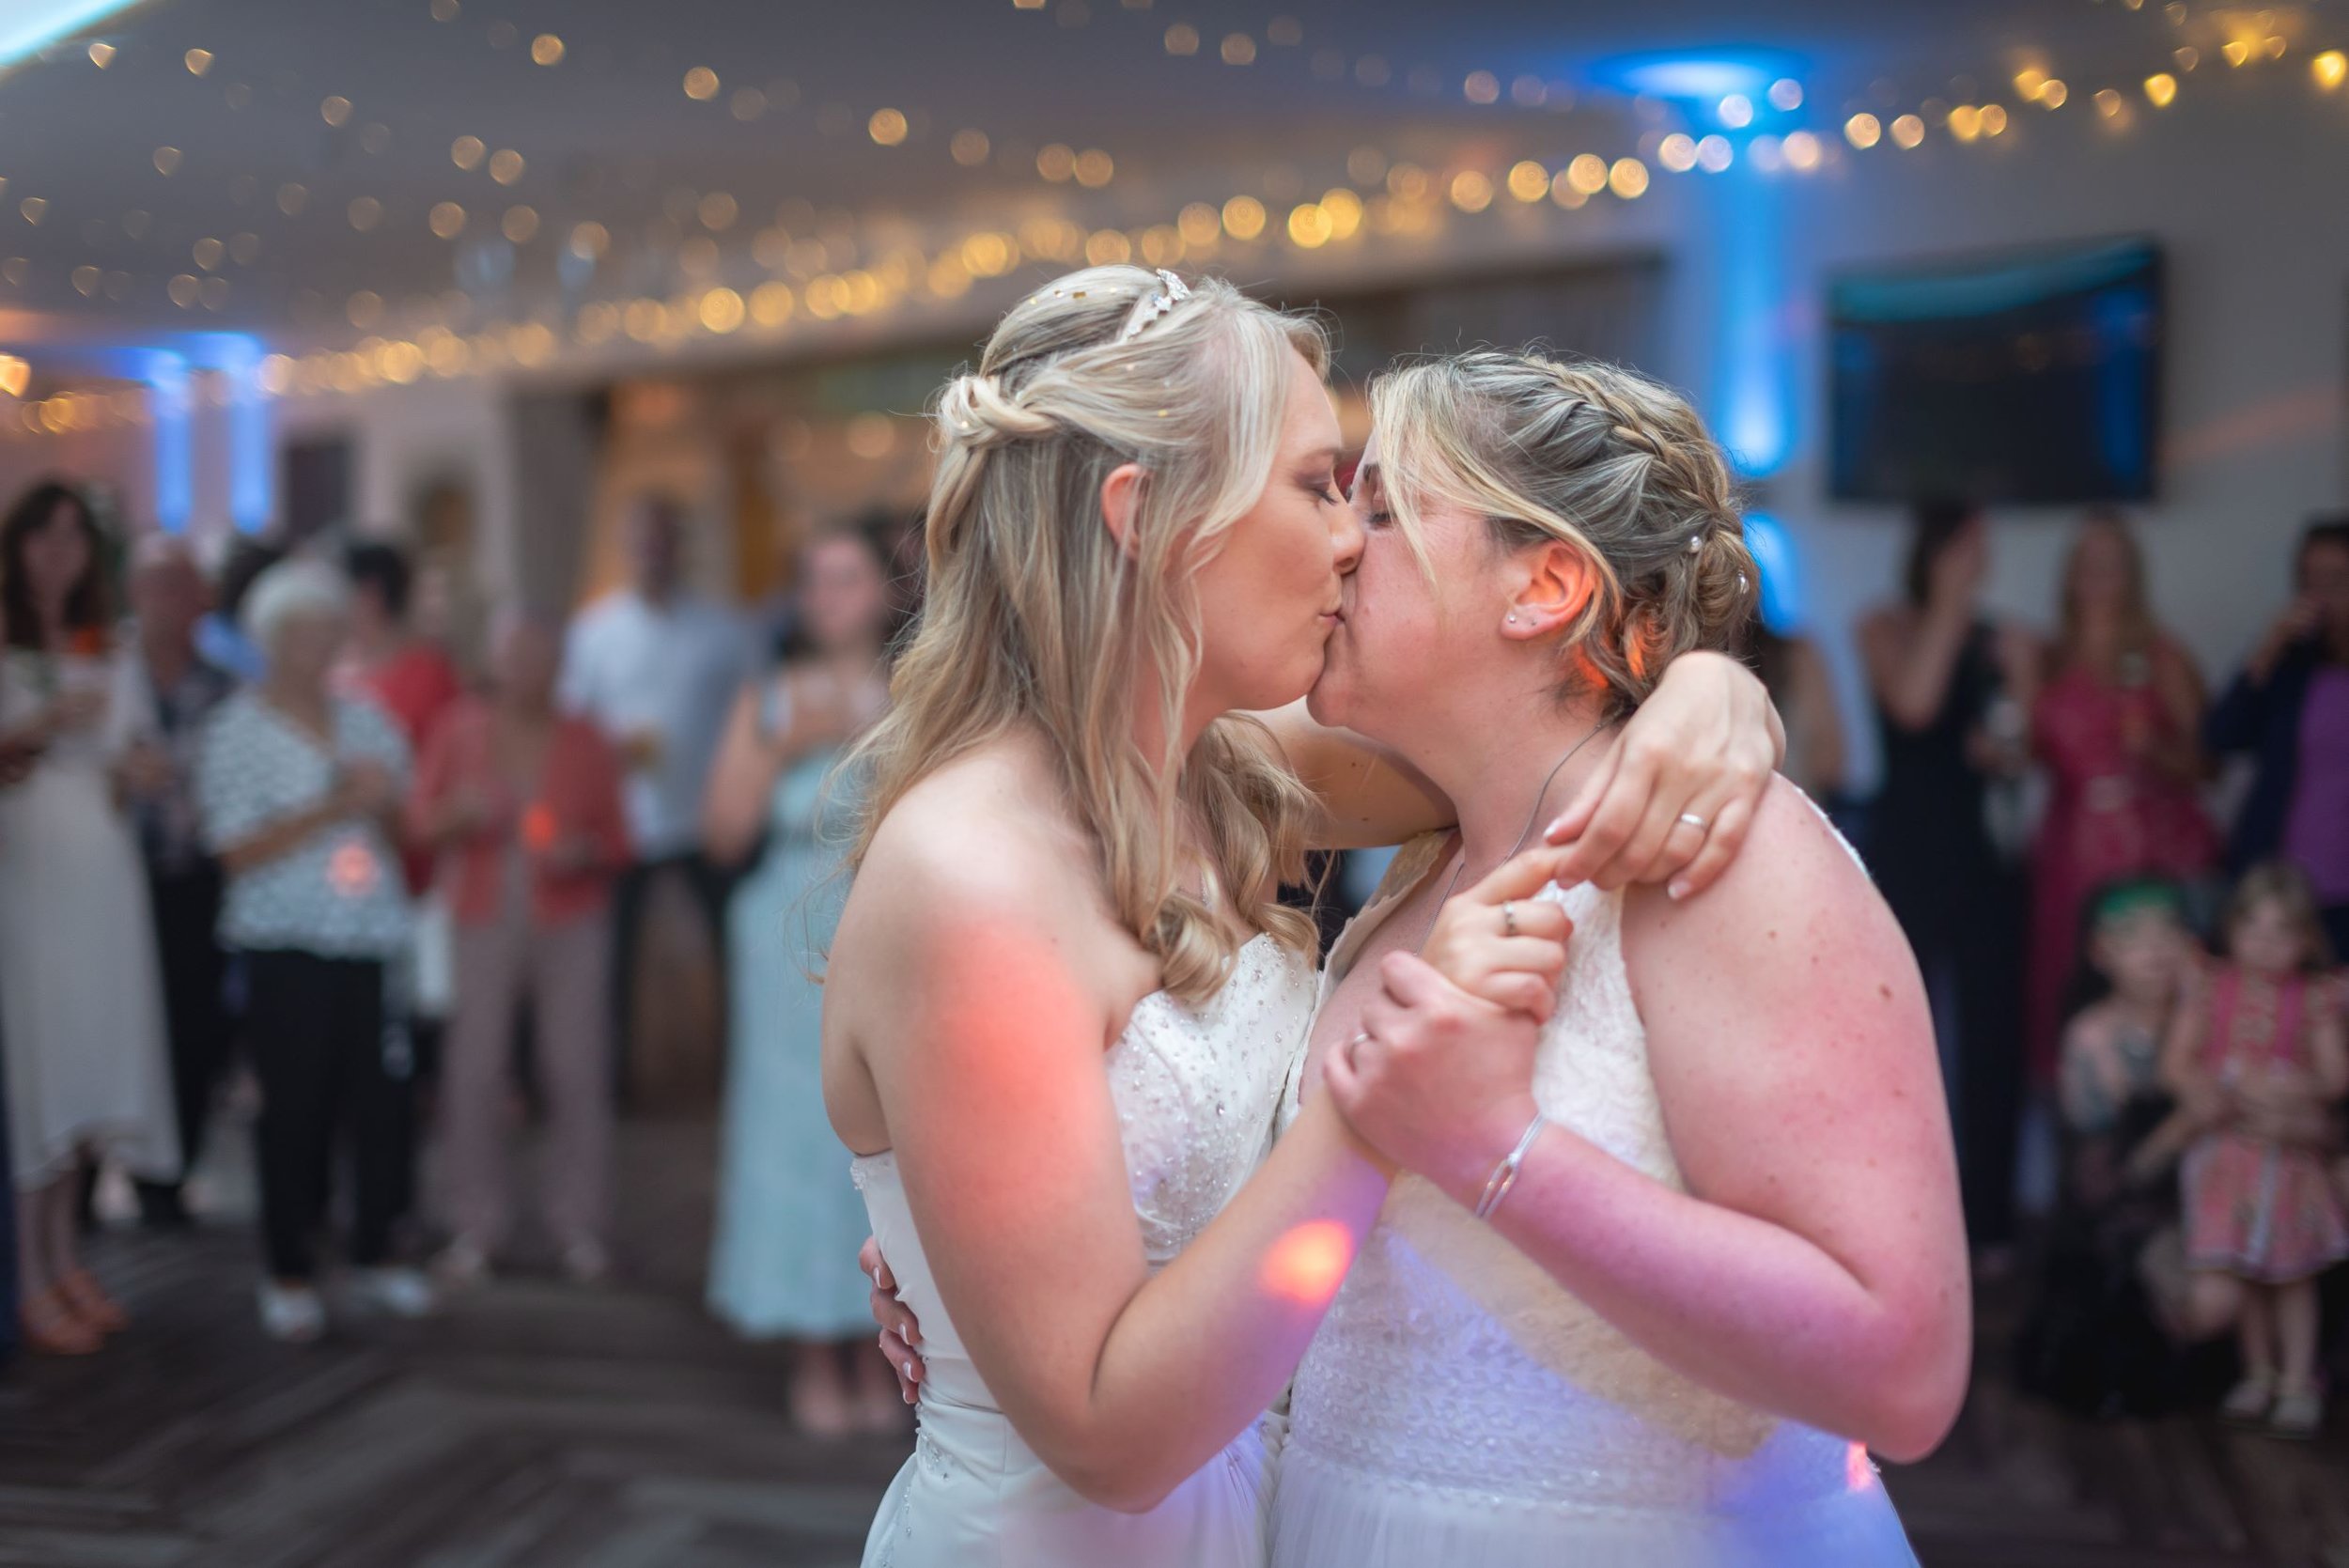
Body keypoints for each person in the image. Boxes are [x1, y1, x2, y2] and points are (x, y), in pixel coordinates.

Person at [829, 267, 1783, 1567]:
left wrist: (1712, 699)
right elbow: (1106, 1441)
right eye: (1317, 484)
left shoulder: (1213, 775)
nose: (1351, 538)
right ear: (1145, 515)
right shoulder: (969, 879)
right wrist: (1378, 1094)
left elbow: (1537, 735)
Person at [1268, 351, 1962, 1563]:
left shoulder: (1716, 861)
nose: (1337, 543)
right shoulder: (1433, 849)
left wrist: (1493, 1152)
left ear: (1542, 584)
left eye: (1382, 510)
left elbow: (1901, 1364)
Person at [196, 558, 433, 1343]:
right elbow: (231, 851)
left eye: (329, 630)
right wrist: (333, 805)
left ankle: (377, 1249)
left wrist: (385, 805)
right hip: (283, 944)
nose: (316, 645)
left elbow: (405, 837)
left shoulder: (369, 721)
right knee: (293, 1108)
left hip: (370, 937)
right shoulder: (235, 729)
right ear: (267, 638)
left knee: (382, 1105)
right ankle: (288, 1265)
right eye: (299, 631)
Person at [704, 524, 898, 1435]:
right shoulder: (770, 699)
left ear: (883, 591)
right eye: (813, 581)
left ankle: (880, 1342)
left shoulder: (919, 694)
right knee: (796, 1134)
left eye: (844, 578)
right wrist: (788, 744)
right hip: (786, 928)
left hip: (889, 926)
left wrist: (866, 731)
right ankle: (811, 1349)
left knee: (883, 1142)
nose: (826, 597)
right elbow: (721, 837)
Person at [0, 481, 179, 1356]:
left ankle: (68, 1255)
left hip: (102, 867)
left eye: (76, 536)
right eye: (45, 534)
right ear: (19, 543)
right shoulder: (7, 640)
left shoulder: (110, 644)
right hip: (29, 863)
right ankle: (27, 1273)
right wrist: (34, 726)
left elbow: (139, 747)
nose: (59, 551)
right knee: (40, 1059)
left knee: (86, 1055)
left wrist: (142, 767)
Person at [411, 608, 631, 1287]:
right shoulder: (459, 729)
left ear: (560, 665)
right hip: (480, 910)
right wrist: (462, 814)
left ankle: (579, 1224)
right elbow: (418, 822)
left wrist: (582, 848)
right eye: (516, 654)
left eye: (541, 655)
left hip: (570, 917)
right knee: (474, 1070)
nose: (528, 669)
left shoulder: (587, 740)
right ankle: (476, 1224)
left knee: (575, 1069)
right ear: (495, 660)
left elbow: (621, 841)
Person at [1858, 500, 2033, 1259]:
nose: (1980, 557)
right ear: (1938, 550)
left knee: (1995, 1036)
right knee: (1901, 1035)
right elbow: (1915, 703)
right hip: (1906, 850)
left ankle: (1989, 1225)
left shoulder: (2007, 640)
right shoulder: (1885, 625)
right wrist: (1953, 601)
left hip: (1984, 854)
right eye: (1969, 546)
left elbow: (2018, 749)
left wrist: (2008, 736)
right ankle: (1900, 1219)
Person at [560, 500, 754, 1090]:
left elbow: (752, 712)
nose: (652, 553)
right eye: (642, 541)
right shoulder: (595, 631)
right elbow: (574, 723)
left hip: (704, 814)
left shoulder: (722, 629)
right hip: (626, 821)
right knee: (613, 955)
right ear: (625, 547)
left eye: (663, 540)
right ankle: (617, 1077)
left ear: (680, 547)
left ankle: (734, 1069)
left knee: (731, 944)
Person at [2028, 510, 2216, 1079]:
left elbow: (2207, 764)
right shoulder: (2047, 657)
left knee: (2155, 986)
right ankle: (2079, 1119)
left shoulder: (2164, 657)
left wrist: (2152, 752)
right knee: (2068, 981)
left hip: (2148, 846)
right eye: (2087, 562)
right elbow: (2033, 753)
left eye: (2111, 563)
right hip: (2071, 850)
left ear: (2132, 574)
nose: (2098, 574)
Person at [2164, 862, 2348, 1439]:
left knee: (2291, 1273)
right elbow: (2178, 1064)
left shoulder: (2313, 1000)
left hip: (2287, 1159)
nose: (2267, 945)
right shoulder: (2211, 989)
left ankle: (2299, 1378)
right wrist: (2210, 1091)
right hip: (2228, 1157)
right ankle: (2259, 1372)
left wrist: (2300, 1087)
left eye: (2283, 933)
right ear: (2233, 929)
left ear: (2306, 941)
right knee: (2242, 1269)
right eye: (2255, 929)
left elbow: (2336, 1076)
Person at [2018, 878, 2206, 1418]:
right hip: (2129, 1218)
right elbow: (2107, 1182)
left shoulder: (2214, 1021)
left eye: (2169, 935)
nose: (2157, 952)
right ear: (2101, 954)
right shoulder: (2093, 1037)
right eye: (2134, 939)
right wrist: (2189, 1123)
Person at [123, 536, 240, 1229]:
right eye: (158, 585)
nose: (172, 601)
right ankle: (91, 1174)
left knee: (193, 1027)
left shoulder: (224, 689)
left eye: (184, 587)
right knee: (116, 1018)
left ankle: (168, 1174)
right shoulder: (105, 676)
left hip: (195, 881)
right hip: (116, 879)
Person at [2207, 518, 2349, 959]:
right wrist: (2266, 648)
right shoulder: (2290, 662)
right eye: (2310, 580)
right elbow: (2220, 736)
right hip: (2283, 893)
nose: (2322, 596)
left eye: (2338, 580)